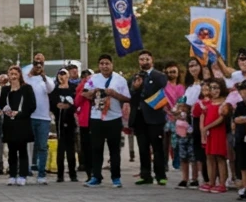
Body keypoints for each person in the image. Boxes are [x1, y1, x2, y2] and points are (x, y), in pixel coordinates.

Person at [79, 54, 129, 187]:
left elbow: (127, 98)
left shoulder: (120, 80)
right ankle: (96, 176)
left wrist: (114, 94)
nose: (104, 66)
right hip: (96, 118)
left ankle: (116, 178)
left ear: (112, 65)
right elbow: (83, 93)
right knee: (96, 148)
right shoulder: (93, 79)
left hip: (114, 118)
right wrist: (94, 92)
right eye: (102, 63)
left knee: (114, 149)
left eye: (107, 63)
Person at [129, 50, 169, 185]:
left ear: (152, 60)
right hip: (139, 117)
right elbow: (131, 98)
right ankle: (145, 175)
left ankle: (161, 175)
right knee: (143, 147)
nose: (144, 62)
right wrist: (135, 88)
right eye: (141, 59)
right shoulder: (135, 77)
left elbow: (164, 94)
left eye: (146, 59)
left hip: (154, 117)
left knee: (157, 147)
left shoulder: (160, 76)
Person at [0, 66, 35, 185]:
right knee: (11, 150)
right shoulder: (5, 90)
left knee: (22, 150)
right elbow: (1, 104)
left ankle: (23, 174)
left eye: (15, 74)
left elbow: (32, 105)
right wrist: (6, 110)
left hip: (22, 122)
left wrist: (20, 113)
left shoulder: (27, 89)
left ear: (20, 75)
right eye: (11, 74)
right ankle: (12, 174)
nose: (13, 76)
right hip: (9, 123)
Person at [199, 78, 230, 193]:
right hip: (208, 133)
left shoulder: (224, 103)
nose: (214, 90)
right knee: (209, 156)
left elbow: (221, 118)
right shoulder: (208, 103)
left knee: (219, 157)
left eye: (216, 88)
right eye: (212, 88)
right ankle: (211, 181)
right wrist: (203, 129)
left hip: (218, 132)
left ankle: (222, 183)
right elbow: (202, 115)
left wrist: (207, 127)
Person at [26, 60, 54, 184]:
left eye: (40, 65)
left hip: (43, 118)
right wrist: (30, 74)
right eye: (36, 65)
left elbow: (50, 89)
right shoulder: (27, 79)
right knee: (27, 145)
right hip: (29, 116)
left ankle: (41, 174)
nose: (38, 67)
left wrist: (42, 76)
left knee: (42, 146)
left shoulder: (47, 79)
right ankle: (25, 171)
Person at [50, 68, 78, 182]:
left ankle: (73, 174)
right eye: (60, 74)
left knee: (71, 148)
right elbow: (52, 103)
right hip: (60, 120)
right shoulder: (55, 90)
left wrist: (69, 107)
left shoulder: (73, 88)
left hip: (71, 120)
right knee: (61, 148)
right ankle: (60, 174)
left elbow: (76, 102)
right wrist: (57, 106)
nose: (62, 77)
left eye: (64, 74)